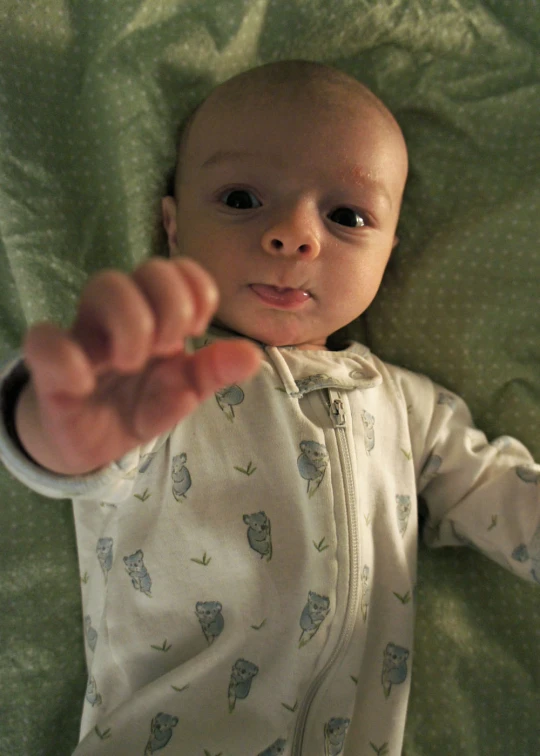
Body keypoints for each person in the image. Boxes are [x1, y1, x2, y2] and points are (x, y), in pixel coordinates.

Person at [0, 60, 538, 756]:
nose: (292, 234)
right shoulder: (160, 378)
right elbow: (71, 453)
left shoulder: (412, 407)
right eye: (241, 199)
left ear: (388, 253)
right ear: (172, 225)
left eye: (346, 216)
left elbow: (499, 493)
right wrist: (66, 421)